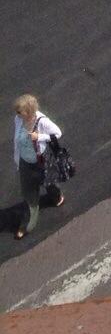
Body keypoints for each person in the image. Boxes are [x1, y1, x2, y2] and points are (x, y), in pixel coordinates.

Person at [12, 95, 62, 241]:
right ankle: (29, 222)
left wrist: (39, 137)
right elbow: (17, 141)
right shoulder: (18, 120)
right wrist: (17, 161)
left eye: (20, 112)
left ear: (29, 112)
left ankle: (57, 196)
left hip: (41, 161)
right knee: (28, 193)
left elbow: (57, 133)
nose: (17, 115)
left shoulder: (42, 121)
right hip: (25, 163)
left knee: (50, 184)